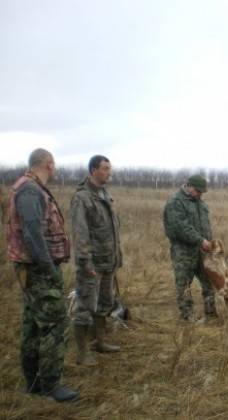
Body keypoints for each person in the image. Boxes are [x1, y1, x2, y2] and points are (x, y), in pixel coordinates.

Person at [5, 148, 79, 402]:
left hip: (35, 269)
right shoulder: (29, 190)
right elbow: (32, 234)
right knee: (55, 323)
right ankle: (49, 385)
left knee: (34, 324)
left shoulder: (30, 187)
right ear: (49, 164)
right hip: (37, 270)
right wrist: (49, 269)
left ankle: (34, 382)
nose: (55, 168)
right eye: (54, 164)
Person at [70, 155, 123, 366]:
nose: (109, 172)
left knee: (104, 304)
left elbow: (112, 231)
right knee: (84, 307)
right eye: (105, 168)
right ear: (93, 170)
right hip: (91, 265)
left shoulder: (105, 195)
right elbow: (80, 234)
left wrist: (116, 258)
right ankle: (82, 353)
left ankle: (99, 342)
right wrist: (85, 264)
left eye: (110, 168)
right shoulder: (82, 198)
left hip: (107, 262)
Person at [163, 174, 215, 321]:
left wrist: (209, 241)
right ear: (189, 186)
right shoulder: (176, 202)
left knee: (209, 282)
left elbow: (205, 225)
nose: (200, 194)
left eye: (202, 192)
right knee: (183, 285)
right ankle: (188, 318)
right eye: (198, 191)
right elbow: (181, 228)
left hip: (202, 251)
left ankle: (211, 314)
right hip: (183, 252)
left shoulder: (200, 202)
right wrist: (200, 240)